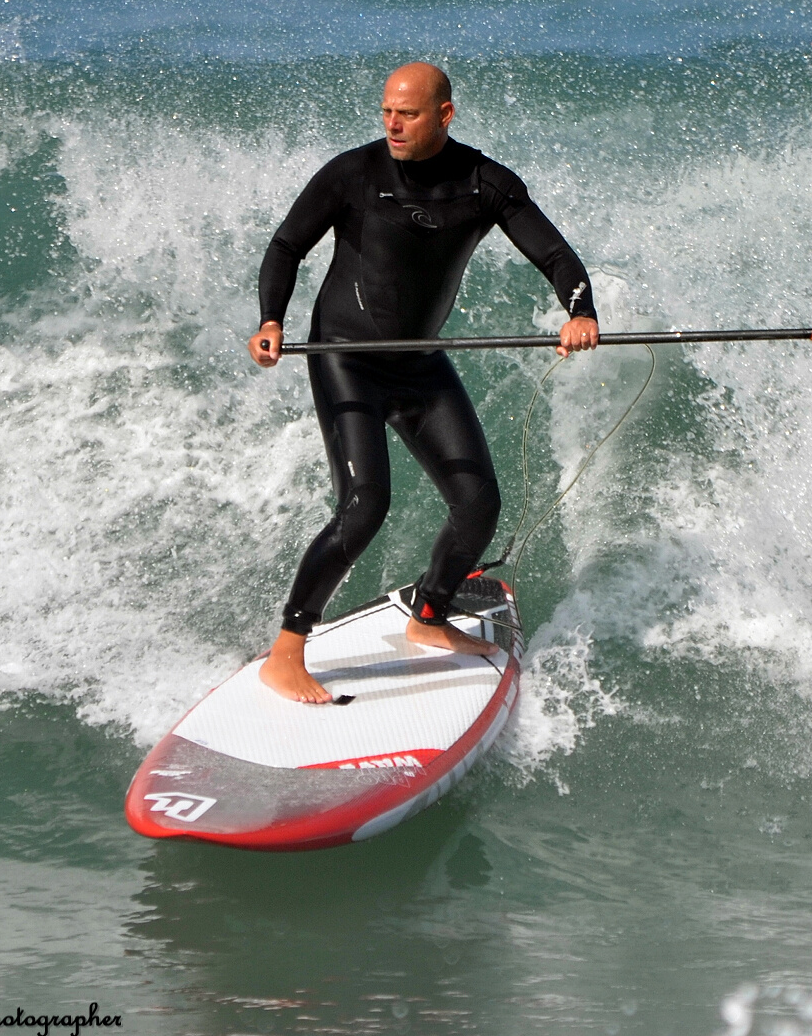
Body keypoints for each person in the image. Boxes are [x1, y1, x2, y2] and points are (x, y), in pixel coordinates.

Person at [248, 61, 600, 703]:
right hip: (345, 357)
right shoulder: (354, 173)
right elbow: (286, 245)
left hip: (418, 363)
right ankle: (287, 650)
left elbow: (555, 255)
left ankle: (430, 618)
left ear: (444, 114)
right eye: (385, 110)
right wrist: (271, 318)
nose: (391, 124)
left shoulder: (484, 183)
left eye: (406, 113)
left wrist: (580, 311)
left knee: (477, 503)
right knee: (364, 504)